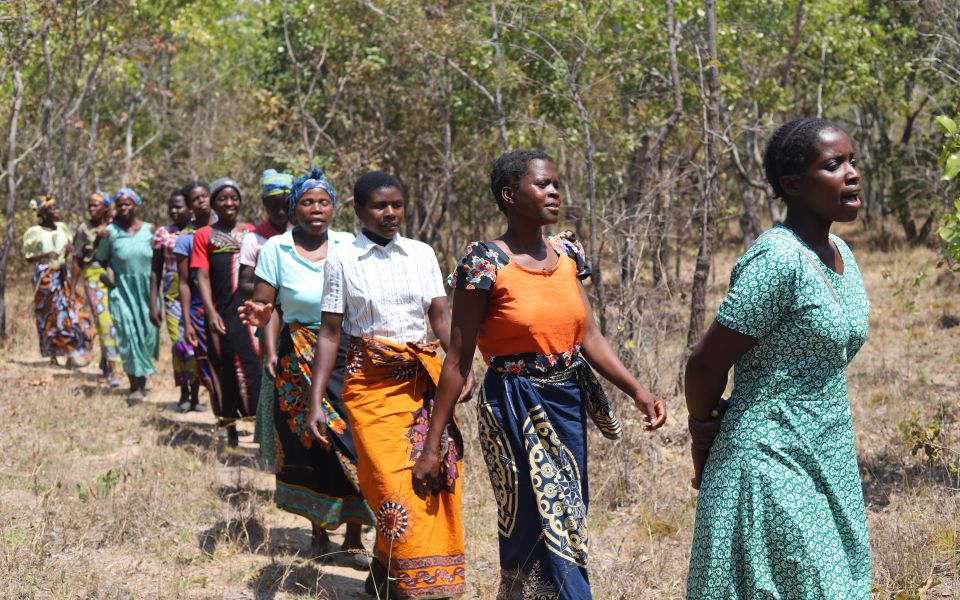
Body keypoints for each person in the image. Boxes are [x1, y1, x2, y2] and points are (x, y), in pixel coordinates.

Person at [412, 150, 667, 600]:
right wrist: (432, 446)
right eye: (542, 185)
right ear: (510, 195)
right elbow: (457, 359)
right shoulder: (484, 263)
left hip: (566, 398)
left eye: (555, 184)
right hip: (510, 403)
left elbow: (589, 335)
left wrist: (638, 391)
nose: (554, 192)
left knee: (569, 512)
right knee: (530, 517)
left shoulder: (567, 253)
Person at [684, 118, 871, 598]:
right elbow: (705, 363)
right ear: (792, 184)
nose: (851, 174)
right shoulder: (778, 261)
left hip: (827, 452)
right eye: (833, 165)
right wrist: (702, 432)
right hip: (769, 458)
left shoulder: (839, 252)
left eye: (852, 161)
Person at [306, 172, 467, 598]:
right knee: (391, 485)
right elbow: (329, 332)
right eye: (379, 206)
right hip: (370, 388)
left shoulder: (421, 254)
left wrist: (460, 367)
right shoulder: (342, 260)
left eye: (396, 204)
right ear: (359, 210)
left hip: (422, 382)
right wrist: (315, 400)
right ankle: (406, 584)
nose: (390, 213)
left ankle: (387, 576)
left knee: (431, 477)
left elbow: (440, 318)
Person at [239, 167, 373, 564]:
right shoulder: (276, 249)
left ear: (334, 207)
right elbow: (266, 303)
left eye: (324, 202)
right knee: (313, 442)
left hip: (349, 351)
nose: (317, 209)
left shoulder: (350, 244)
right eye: (308, 202)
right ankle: (318, 533)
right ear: (294, 208)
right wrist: (263, 331)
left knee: (355, 439)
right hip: (298, 355)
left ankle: (354, 536)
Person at [192, 177, 260, 446]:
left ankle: (259, 427)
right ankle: (229, 427)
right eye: (222, 198)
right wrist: (211, 312)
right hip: (222, 311)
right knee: (225, 366)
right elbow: (202, 277)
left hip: (249, 311)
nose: (229, 203)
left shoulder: (252, 232)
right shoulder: (204, 235)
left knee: (254, 365)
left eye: (234, 198)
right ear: (213, 203)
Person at [238, 169, 292, 466]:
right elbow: (244, 281)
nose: (281, 210)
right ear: (264, 204)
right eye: (274, 205)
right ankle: (271, 450)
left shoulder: (306, 234)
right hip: (271, 318)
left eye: (286, 203)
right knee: (272, 384)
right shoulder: (255, 239)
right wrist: (274, 287)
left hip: (305, 321)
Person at [95, 188, 159, 404]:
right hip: (121, 291)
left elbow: (159, 262)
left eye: (127, 203)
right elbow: (102, 259)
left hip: (147, 291)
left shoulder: (150, 230)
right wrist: (111, 273)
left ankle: (141, 376)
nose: (123, 208)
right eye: (120, 204)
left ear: (135, 205)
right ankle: (133, 385)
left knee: (148, 335)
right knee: (127, 335)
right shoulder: (109, 233)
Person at [23, 195, 94, 367]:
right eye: (52, 209)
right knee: (49, 316)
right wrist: (46, 255)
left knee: (69, 313)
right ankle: (53, 357)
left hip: (63, 274)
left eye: (57, 208)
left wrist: (68, 252)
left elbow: (66, 253)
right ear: (44, 213)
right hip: (45, 276)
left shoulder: (62, 228)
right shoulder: (34, 232)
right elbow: (28, 258)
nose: (57, 211)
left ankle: (71, 356)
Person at [150, 189, 198, 411]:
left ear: (190, 207)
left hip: (197, 293)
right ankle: (184, 393)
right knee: (180, 344)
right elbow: (155, 271)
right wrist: (153, 303)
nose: (174, 210)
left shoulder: (199, 231)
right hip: (172, 296)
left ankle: (197, 395)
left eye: (179, 206)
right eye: (171, 207)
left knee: (196, 344)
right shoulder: (162, 233)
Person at [174, 181, 217, 413]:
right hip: (199, 310)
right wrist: (187, 321)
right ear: (190, 206)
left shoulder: (225, 230)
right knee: (204, 361)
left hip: (225, 307)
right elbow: (184, 283)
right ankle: (218, 410)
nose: (201, 201)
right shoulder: (184, 239)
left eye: (204, 196)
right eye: (195, 199)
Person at [71, 190, 123, 385]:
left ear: (105, 208)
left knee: (115, 321)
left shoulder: (115, 227)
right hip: (93, 277)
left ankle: (105, 363)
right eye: (90, 205)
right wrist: (72, 287)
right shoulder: (84, 229)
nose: (92, 209)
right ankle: (113, 370)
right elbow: (76, 257)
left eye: (96, 205)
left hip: (116, 278)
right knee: (105, 321)